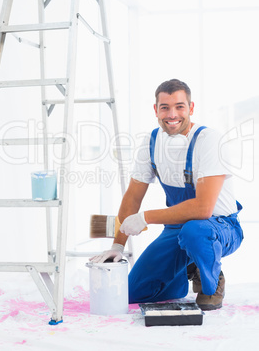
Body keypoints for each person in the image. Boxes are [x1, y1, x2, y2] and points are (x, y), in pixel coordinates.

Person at [90, 79, 244, 310]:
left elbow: (203, 209)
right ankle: (185, 269)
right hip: (177, 228)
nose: (172, 114)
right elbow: (133, 196)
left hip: (218, 227)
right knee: (132, 293)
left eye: (180, 107)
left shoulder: (209, 141)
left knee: (195, 231)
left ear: (191, 108)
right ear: (156, 110)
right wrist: (117, 247)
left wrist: (145, 218)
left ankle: (210, 280)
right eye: (165, 107)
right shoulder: (151, 142)